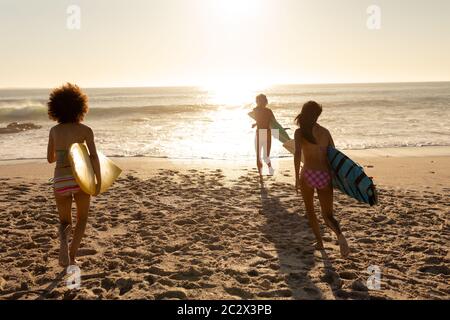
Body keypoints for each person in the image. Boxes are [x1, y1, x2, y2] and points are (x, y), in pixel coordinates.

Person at [47, 83, 101, 267]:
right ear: (80, 106)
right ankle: (71, 256)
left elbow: (49, 159)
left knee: (64, 221)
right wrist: (98, 181)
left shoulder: (54, 131)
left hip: (60, 179)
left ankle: (63, 243)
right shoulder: (85, 130)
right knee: (82, 218)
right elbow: (93, 157)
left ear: (56, 108)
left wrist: (62, 154)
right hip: (80, 179)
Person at [294, 101, 350, 258]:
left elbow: (297, 154)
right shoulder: (325, 132)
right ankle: (340, 236)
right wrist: (339, 177)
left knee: (310, 211)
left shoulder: (300, 132)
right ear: (317, 115)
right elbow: (334, 156)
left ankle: (320, 242)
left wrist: (296, 178)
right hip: (324, 176)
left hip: (307, 175)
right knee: (328, 215)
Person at [251, 94, 276, 177]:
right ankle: (269, 169)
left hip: (260, 133)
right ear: (265, 101)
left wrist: (255, 124)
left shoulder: (255, 110)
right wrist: (280, 133)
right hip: (267, 133)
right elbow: (274, 123)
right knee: (266, 156)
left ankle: (261, 174)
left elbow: (260, 120)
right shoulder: (269, 111)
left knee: (259, 156)